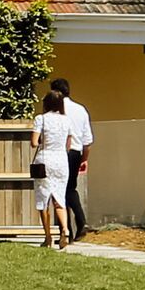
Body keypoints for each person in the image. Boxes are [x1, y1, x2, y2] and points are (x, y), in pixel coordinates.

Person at [30, 87, 76, 246]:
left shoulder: (41, 119)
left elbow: (34, 142)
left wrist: (43, 140)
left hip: (45, 159)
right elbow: (68, 145)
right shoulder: (67, 120)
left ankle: (48, 237)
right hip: (62, 161)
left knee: (43, 199)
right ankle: (65, 229)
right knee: (59, 198)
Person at [50, 78, 94, 239]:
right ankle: (74, 225)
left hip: (59, 152)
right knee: (70, 187)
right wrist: (84, 158)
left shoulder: (55, 111)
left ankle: (71, 226)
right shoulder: (81, 110)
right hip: (76, 152)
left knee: (61, 190)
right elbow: (87, 140)